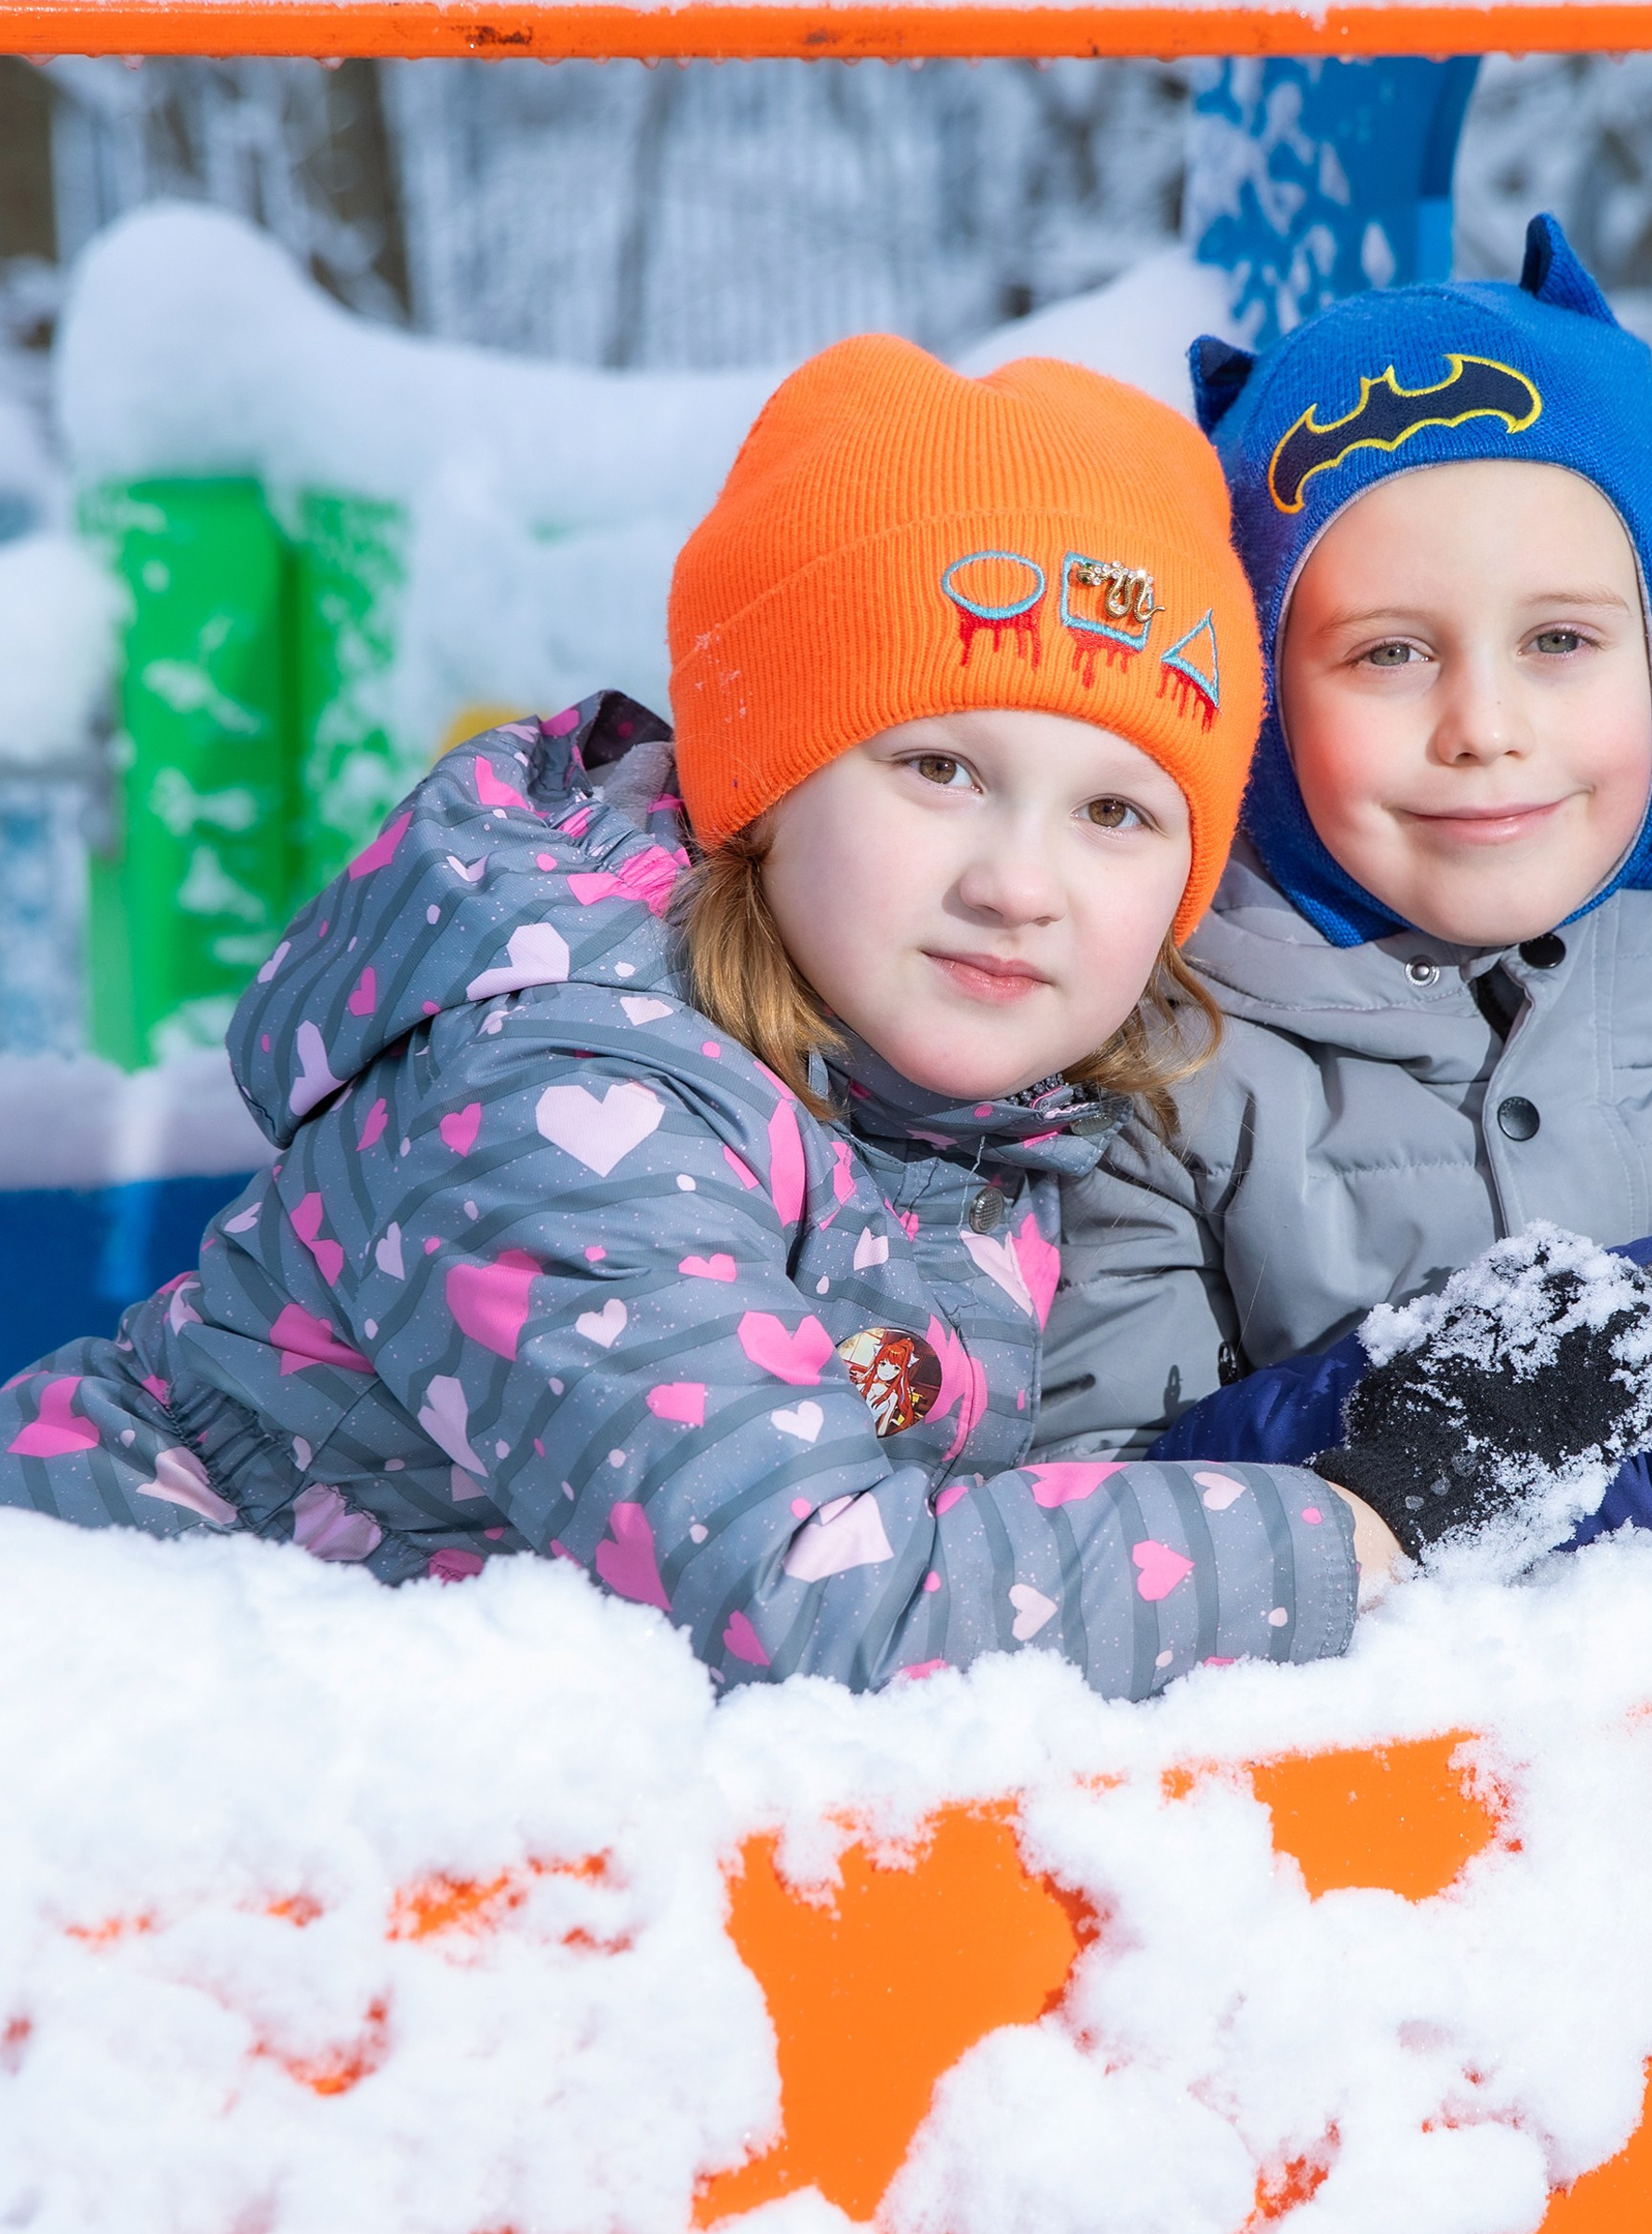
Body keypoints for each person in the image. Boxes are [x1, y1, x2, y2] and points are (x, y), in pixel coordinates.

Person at [0, 337, 1466, 1695]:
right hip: (107, 1709)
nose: (1022, 883)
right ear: (760, 778)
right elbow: (816, 1602)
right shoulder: (564, 1091)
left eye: (1116, 810)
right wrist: (1354, 1530)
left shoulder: (943, 1099)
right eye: (939, 769)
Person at [1038, 216, 1652, 1522]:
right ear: (1258, 707)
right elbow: (1103, 1520)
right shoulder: (1172, 1099)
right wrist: (1397, 1426)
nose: (1484, 725)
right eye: (1389, 654)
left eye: (1562, 639)